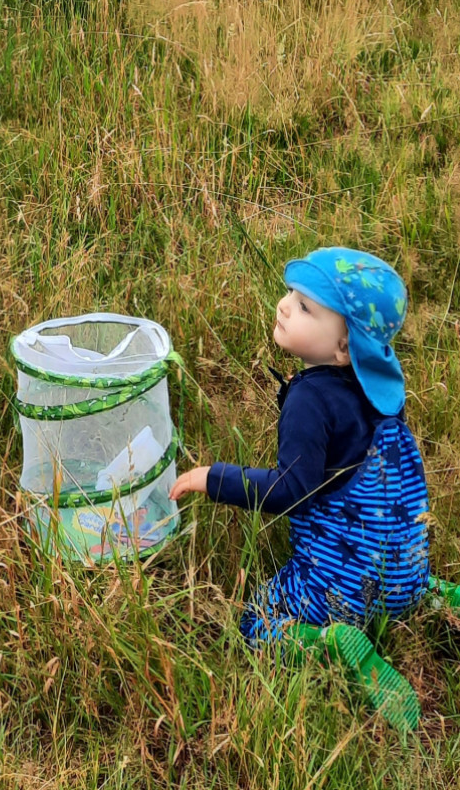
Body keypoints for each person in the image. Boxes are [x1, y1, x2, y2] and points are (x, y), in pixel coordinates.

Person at [170, 248, 430, 643]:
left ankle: (328, 644)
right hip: (404, 576)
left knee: (257, 620)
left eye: (305, 307)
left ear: (344, 347)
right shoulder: (382, 392)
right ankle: (433, 597)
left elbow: (291, 490)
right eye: (291, 293)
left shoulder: (310, 400)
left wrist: (214, 478)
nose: (284, 306)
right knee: (390, 566)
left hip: (342, 591)